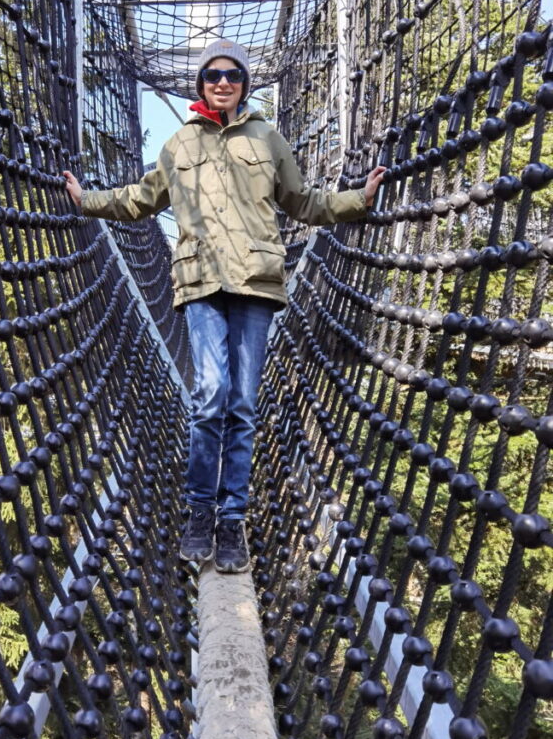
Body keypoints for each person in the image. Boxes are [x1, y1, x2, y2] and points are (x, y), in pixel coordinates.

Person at [63, 38, 385, 574]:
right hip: (201, 282)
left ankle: (231, 520)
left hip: (256, 281)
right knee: (209, 395)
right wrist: (87, 200)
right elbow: (140, 200)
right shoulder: (179, 145)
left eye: (231, 73)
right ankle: (199, 511)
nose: (222, 81)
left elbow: (302, 201)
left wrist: (359, 200)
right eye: (212, 74)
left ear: (244, 82)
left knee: (242, 404)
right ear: (201, 83)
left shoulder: (267, 137)